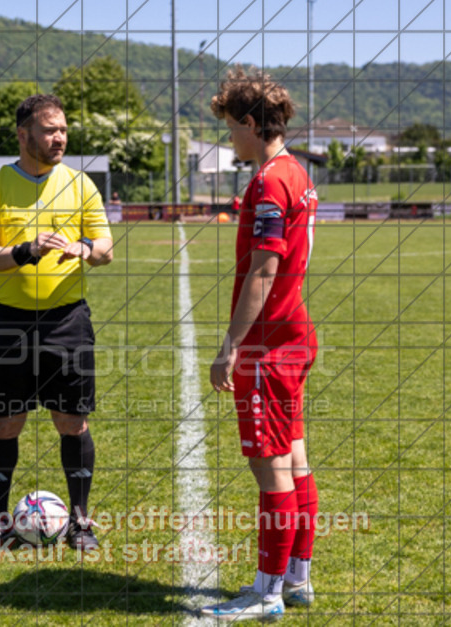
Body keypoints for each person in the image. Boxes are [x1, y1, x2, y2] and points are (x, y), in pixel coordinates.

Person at [0, 94, 114, 551]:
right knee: (5, 424)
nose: (59, 138)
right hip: (9, 323)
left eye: (63, 129)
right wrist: (23, 251)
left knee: (73, 422)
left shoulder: (81, 184)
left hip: (67, 321)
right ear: (23, 134)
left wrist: (85, 250)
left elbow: (106, 246)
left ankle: (81, 522)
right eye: (50, 129)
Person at [201, 69, 319, 622]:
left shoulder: (270, 181)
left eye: (231, 128)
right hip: (294, 334)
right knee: (294, 462)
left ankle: (267, 592)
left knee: (271, 469)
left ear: (251, 123)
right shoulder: (296, 171)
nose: (230, 139)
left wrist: (230, 346)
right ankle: (297, 578)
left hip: (270, 345)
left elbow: (262, 274)